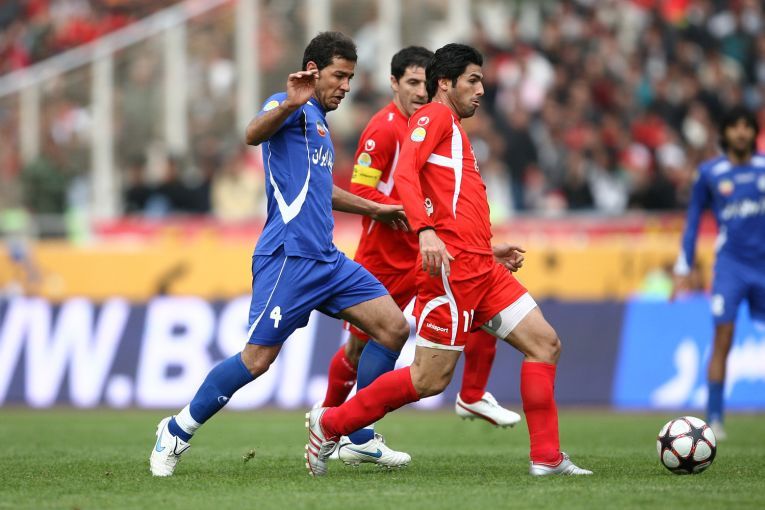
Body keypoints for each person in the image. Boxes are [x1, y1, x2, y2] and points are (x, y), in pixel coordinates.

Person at [306, 43, 592, 477]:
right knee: (428, 379)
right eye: (473, 81)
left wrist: (487, 247)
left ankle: (547, 458)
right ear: (446, 83)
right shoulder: (433, 117)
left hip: (481, 267)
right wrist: (424, 231)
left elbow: (449, 203)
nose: (481, 90)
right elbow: (405, 173)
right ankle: (331, 424)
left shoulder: (452, 127)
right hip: (453, 273)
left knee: (544, 344)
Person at [149, 31, 413, 477]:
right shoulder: (288, 105)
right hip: (288, 257)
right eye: (339, 76)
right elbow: (252, 134)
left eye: (350, 78)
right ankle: (176, 430)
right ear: (312, 71)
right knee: (257, 360)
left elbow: (320, 189)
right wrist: (290, 102)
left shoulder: (322, 126)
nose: (346, 86)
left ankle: (357, 435)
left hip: (327, 259)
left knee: (393, 328)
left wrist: (376, 209)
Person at [322, 46, 521, 468]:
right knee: (363, 347)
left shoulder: (434, 123)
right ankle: (334, 423)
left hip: (428, 251)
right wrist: (401, 212)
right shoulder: (383, 129)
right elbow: (360, 189)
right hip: (386, 257)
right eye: (410, 82)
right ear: (394, 83)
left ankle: (468, 395)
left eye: (422, 83)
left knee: (475, 307)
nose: (418, 91)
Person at [672, 105, 765, 440]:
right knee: (722, 337)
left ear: (753, 132)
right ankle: (715, 418)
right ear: (724, 133)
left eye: (747, 126)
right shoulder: (710, 173)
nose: (741, 132)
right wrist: (684, 266)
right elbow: (693, 221)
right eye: (735, 126)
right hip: (731, 267)